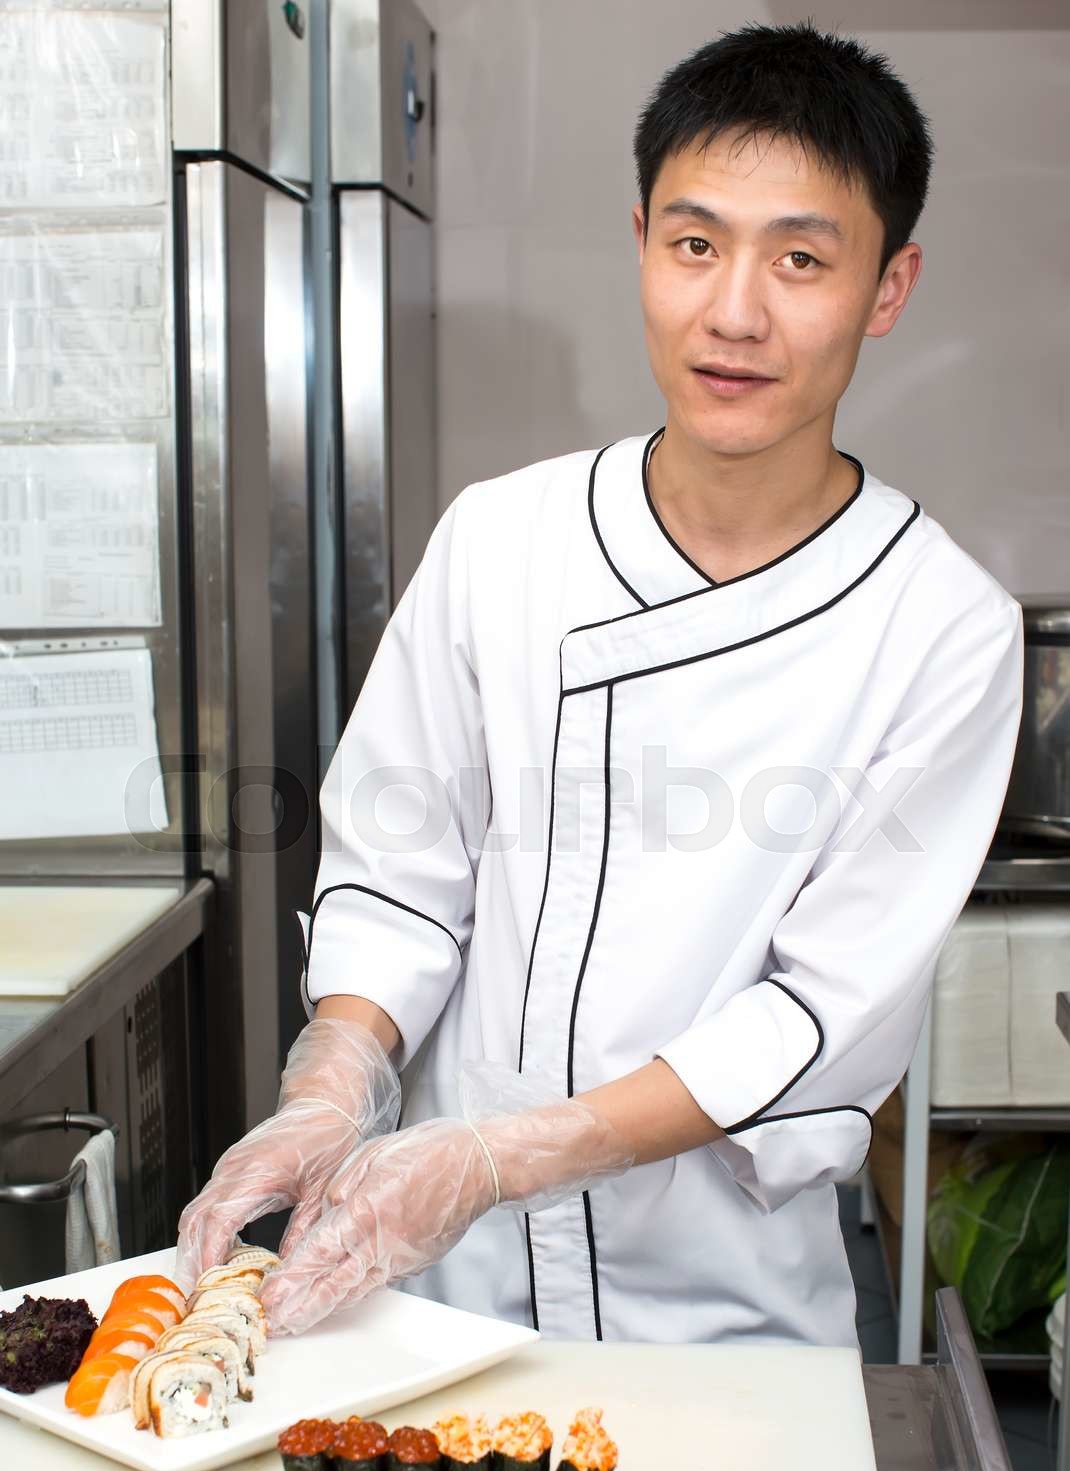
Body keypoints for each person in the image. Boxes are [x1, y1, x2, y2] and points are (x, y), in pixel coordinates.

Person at [177, 20, 1024, 1346]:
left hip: (720, 1313)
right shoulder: (499, 540)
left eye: (800, 259)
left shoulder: (939, 626)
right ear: (641, 244)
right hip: (433, 1300)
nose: (733, 311)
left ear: (887, 286)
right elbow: (402, 868)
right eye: (695, 245)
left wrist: (497, 1158)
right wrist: (336, 1079)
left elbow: (819, 1008)